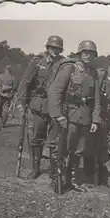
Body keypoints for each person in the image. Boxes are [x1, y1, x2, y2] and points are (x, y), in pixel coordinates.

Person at [46, 39, 102, 191]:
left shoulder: (94, 73)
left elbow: (96, 100)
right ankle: (56, 178)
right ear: (79, 53)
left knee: (79, 150)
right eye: (85, 52)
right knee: (62, 149)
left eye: (91, 53)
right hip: (68, 115)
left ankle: (71, 179)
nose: (88, 56)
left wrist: (95, 120)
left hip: (85, 117)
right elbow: (55, 91)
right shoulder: (70, 68)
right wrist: (58, 115)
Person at [16, 35, 65, 180]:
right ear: (47, 47)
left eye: (57, 48)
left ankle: (53, 170)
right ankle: (35, 168)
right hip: (39, 104)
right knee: (36, 138)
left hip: (56, 106)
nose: (55, 51)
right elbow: (25, 82)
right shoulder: (37, 62)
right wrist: (21, 101)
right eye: (52, 48)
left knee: (54, 139)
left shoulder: (62, 63)